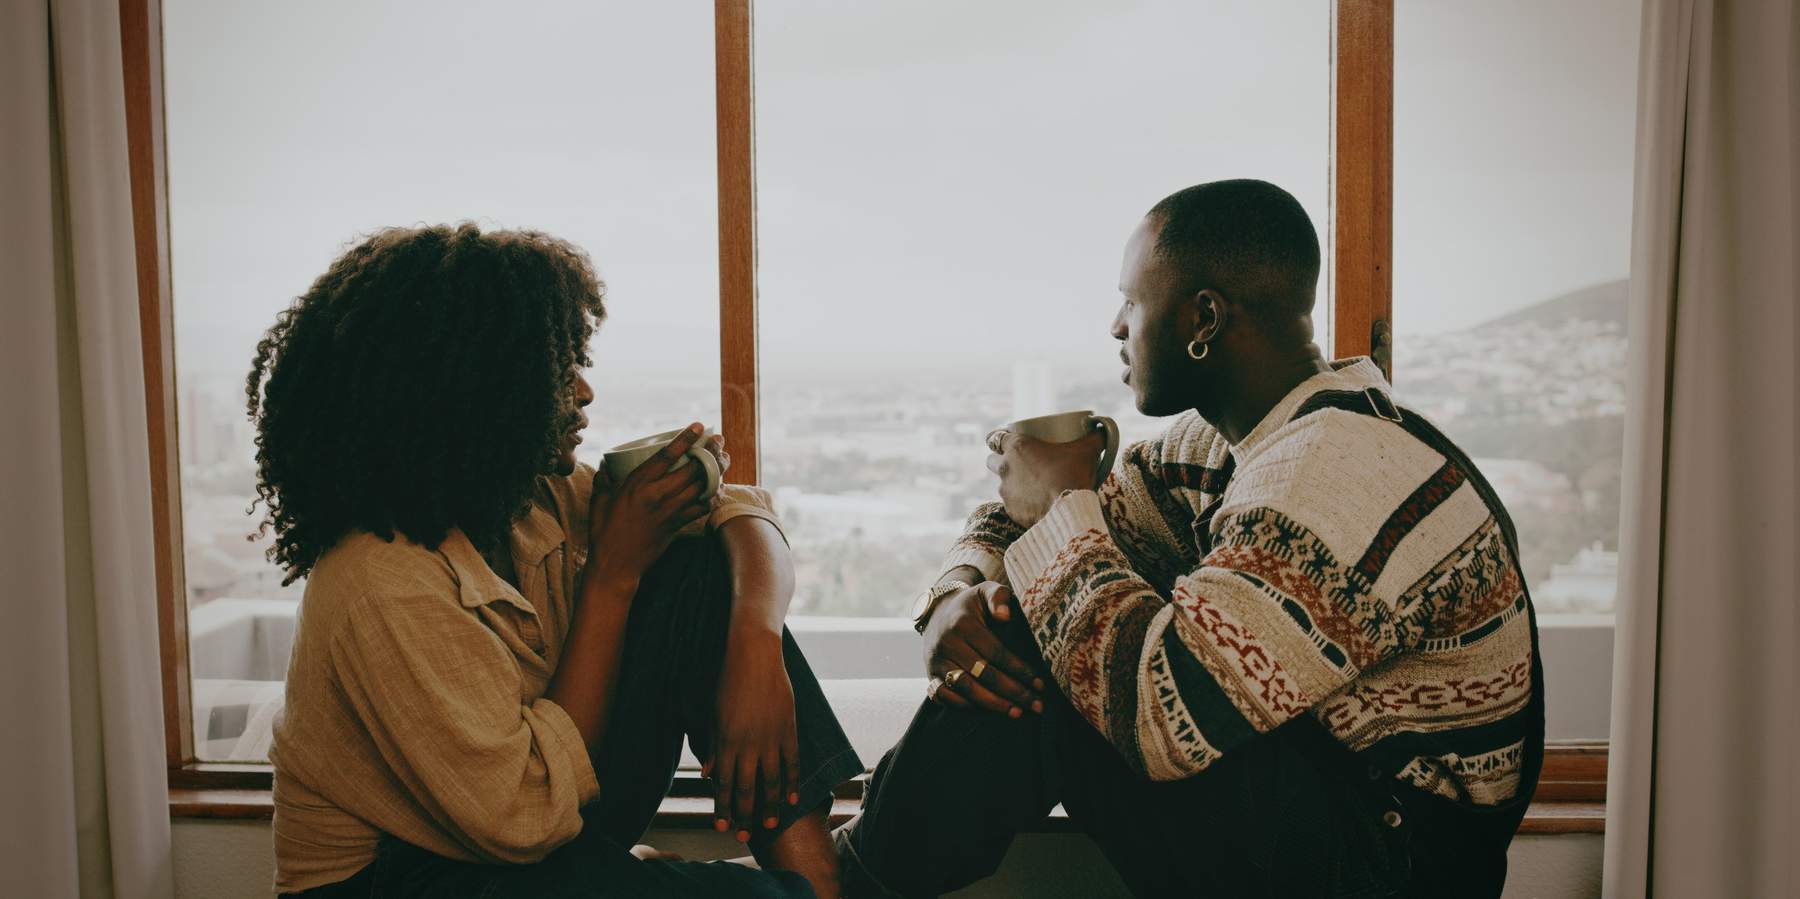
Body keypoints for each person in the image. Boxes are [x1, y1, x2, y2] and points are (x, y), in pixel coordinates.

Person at [838, 180, 1545, 898]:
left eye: (1132, 301)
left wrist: (1058, 503)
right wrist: (955, 594)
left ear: (1202, 317)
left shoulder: (1335, 471)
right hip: (1340, 813)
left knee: (1070, 633)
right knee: (1050, 601)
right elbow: (1043, 526)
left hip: (1398, 867)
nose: (1116, 326)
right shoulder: (1235, 443)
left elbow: (1162, 713)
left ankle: (841, 879)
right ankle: (849, 872)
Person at [255, 224, 862, 897]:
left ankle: (818, 877)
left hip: (535, 825)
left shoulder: (524, 497)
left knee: (697, 566)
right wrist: (612, 574)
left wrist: (756, 640)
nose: (582, 391)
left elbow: (741, 512)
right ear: (471, 395)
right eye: (555, 368)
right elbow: (519, 820)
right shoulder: (379, 580)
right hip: (398, 875)